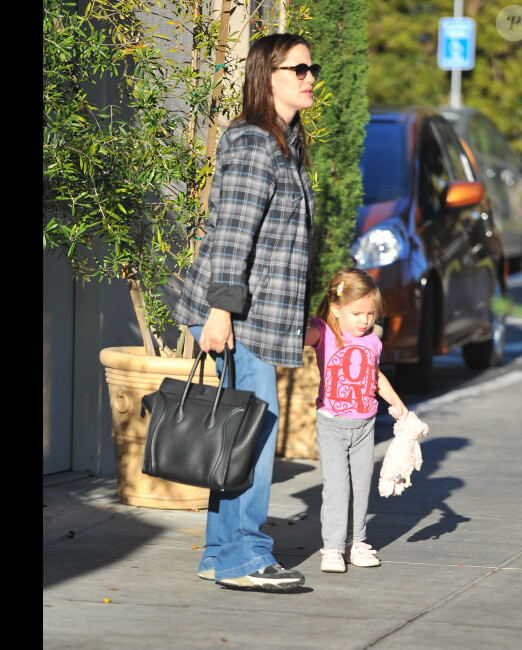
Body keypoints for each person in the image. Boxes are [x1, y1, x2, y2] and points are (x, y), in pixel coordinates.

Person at [172, 33, 320, 592]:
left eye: (312, 68)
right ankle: (243, 557)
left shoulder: (285, 141)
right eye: (298, 68)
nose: (309, 77)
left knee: (240, 433)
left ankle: (222, 553)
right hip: (236, 312)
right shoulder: (255, 141)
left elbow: (280, 245)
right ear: (269, 75)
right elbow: (232, 235)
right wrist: (220, 312)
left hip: (254, 312)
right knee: (254, 434)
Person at [304, 267, 409, 573]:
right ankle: (333, 548)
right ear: (335, 310)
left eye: (371, 314)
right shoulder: (323, 331)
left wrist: (397, 403)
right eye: (357, 313)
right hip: (332, 425)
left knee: (362, 486)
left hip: (365, 426)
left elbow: (374, 376)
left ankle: (358, 542)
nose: (365, 320)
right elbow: (296, 337)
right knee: (337, 488)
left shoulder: (373, 341)